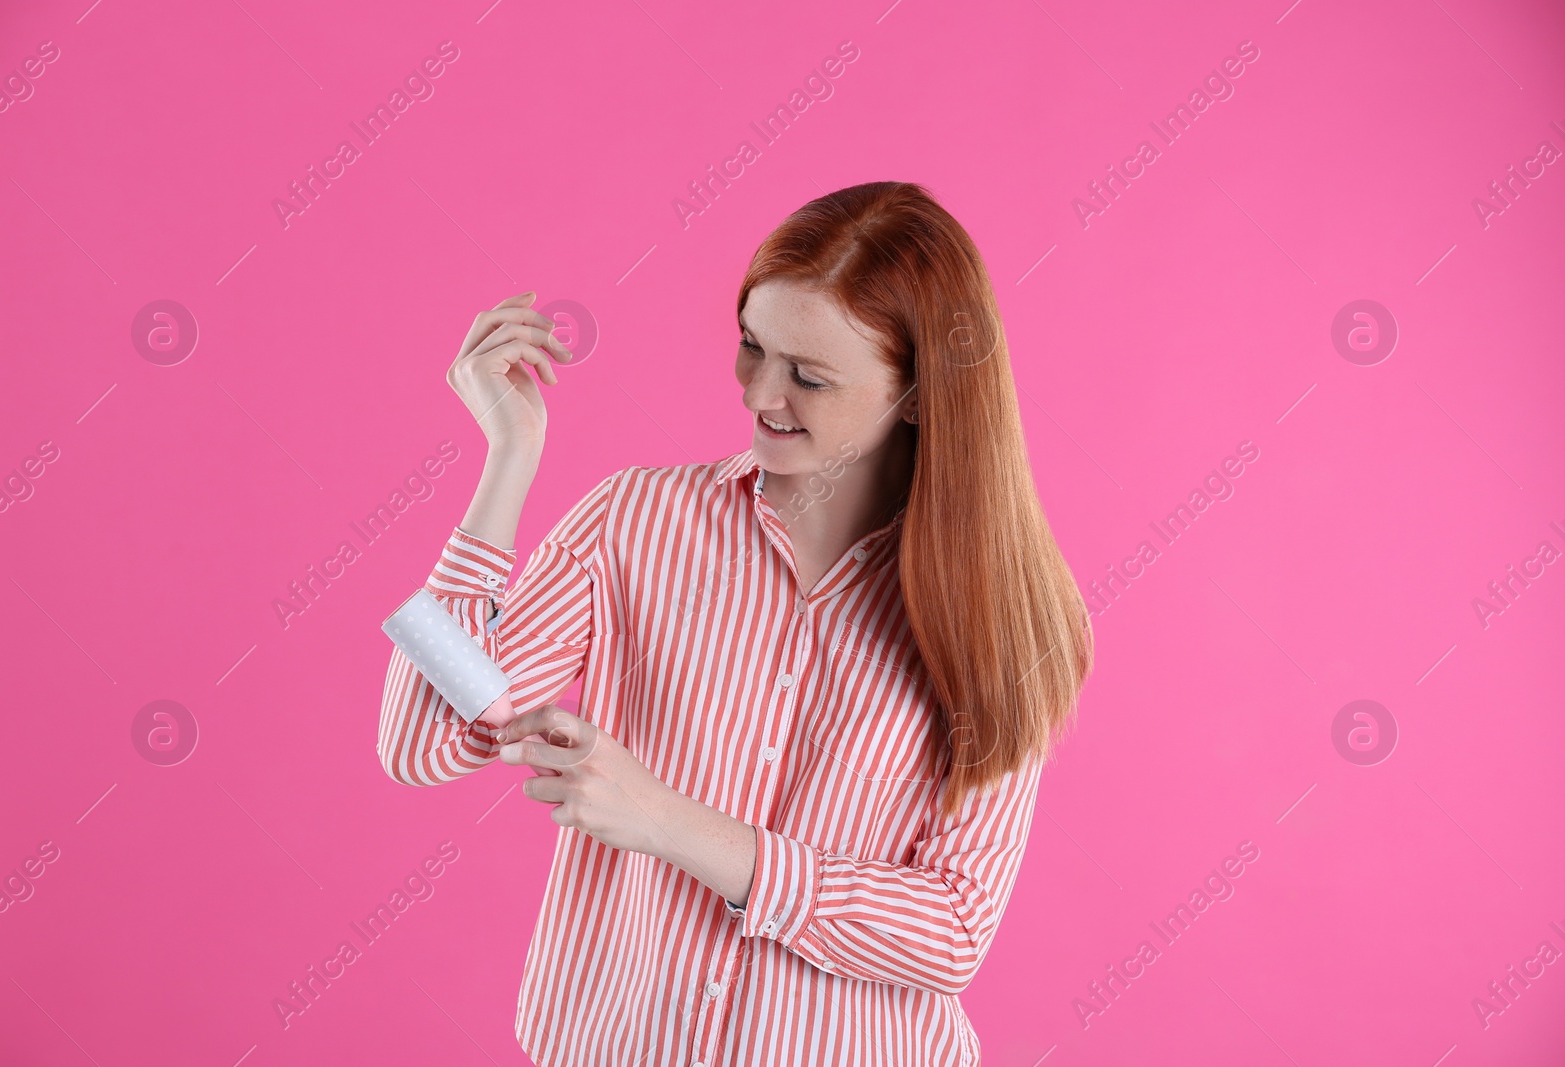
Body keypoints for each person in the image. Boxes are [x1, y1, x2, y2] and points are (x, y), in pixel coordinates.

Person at [377, 180, 1093, 1066]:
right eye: (753, 346)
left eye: (811, 376)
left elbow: (949, 930)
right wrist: (508, 458)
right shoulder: (634, 521)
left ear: (915, 395)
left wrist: (671, 823)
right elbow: (423, 744)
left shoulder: (997, 612)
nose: (761, 394)